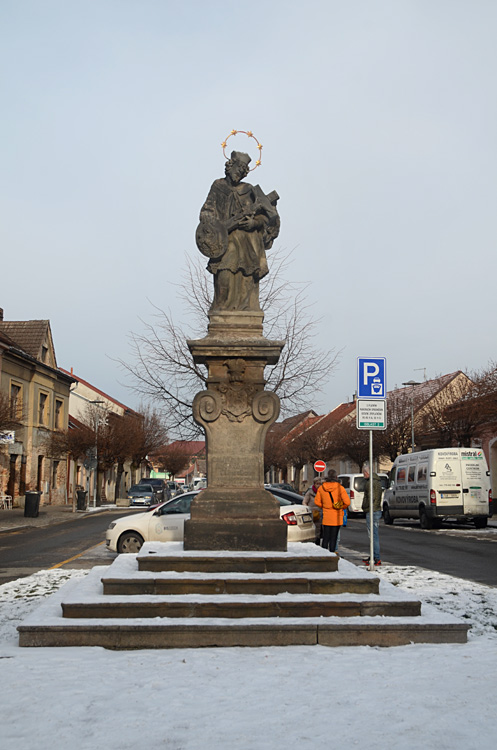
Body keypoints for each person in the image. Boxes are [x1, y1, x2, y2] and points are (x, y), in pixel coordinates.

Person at [196, 151, 280, 312]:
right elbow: (206, 211)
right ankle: (222, 312)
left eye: (243, 170)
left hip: (247, 242)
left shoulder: (250, 190)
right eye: (238, 168)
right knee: (224, 274)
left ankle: (245, 311)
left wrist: (254, 223)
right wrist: (213, 225)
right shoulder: (218, 186)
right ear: (229, 166)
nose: (240, 172)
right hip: (224, 241)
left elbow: (268, 217)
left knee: (246, 277)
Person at [314, 469, 350, 554]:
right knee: (334, 538)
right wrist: (340, 506)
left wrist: (325, 506)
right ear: (336, 477)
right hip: (337, 517)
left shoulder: (322, 488)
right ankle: (332, 555)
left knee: (326, 538)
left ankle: (324, 556)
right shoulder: (340, 488)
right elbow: (347, 502)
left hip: (326, 516)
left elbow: (317, 501)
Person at [361, 462, 383, 565]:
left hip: (372, 510)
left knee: (373, 536)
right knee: (373, 535)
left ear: (367, 472)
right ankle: (373, 555)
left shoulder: (370, 483)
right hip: (376, 509)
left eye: (363, 473)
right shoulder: (377, 481)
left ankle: (376, 558)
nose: (363, 475)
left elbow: (371, 497)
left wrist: (365, 506)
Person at [303, 477, 323, 544]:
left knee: (319, 530)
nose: (318, 485)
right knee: (312, 528)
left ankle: (318, 541)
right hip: (312, 513)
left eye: (320, 484)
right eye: (317, 484)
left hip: (320, 513)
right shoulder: (309, 493)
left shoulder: (323, 493)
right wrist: (308, 509)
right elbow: (304, 502)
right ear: (314, 484)